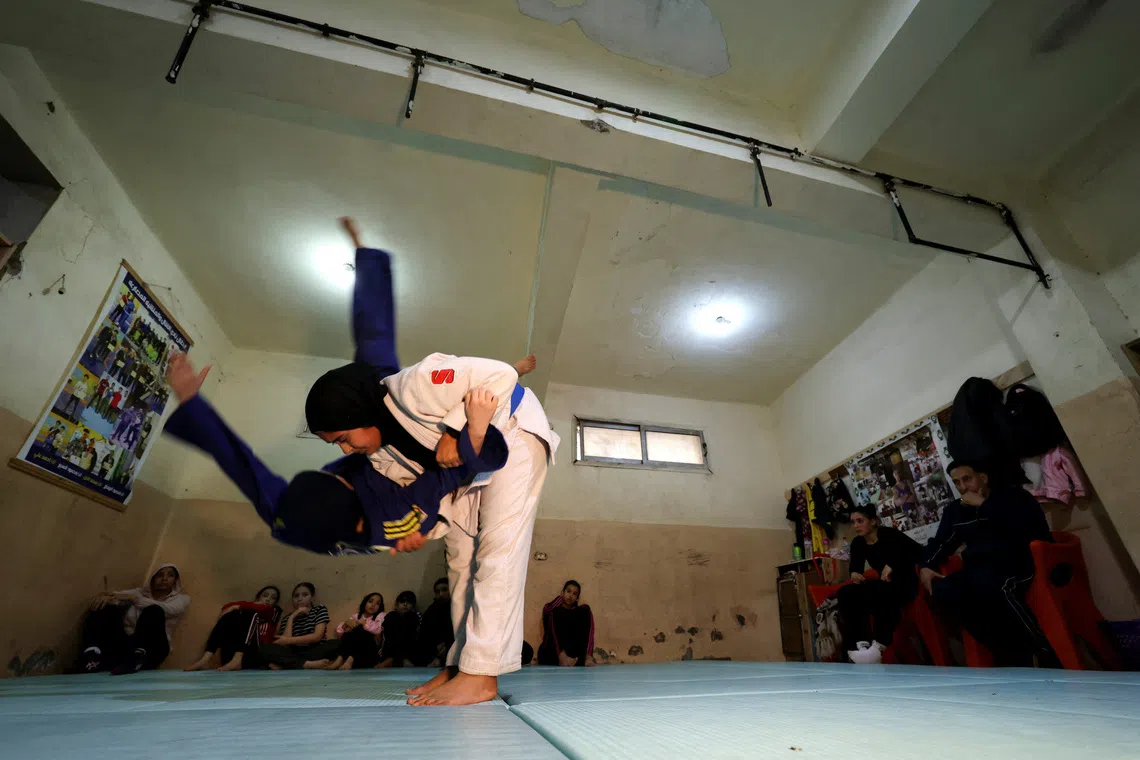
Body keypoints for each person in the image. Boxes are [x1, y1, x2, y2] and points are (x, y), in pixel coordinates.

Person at [304, 217, 559, 706]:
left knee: (497, 553)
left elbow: (501, 374)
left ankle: (483, 676)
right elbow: (421, 493)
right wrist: (421, 525)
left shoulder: (419, 383)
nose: (343, 448)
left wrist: (455, 427)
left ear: (358, 412)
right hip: (471, 470)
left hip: (514, 431)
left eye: (341, 437)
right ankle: (460, 665)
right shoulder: (382, 455)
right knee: (460, 561)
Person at [161, 352, 509, 556]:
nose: (345, 451)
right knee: (463, 469)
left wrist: (191, 402)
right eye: (338, 448)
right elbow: (448, 474)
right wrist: (466, 435)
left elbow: (242, 465)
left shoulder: (285, 510)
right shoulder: (393, 512)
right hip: (400, 514)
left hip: (335, 510)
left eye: (341, 443)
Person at [920, 461, 1054, 667]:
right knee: (943, 590)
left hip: (1016, 561)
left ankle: (1042, 650)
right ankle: (1007, 651)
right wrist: (926, 565)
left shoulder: (1012, 498)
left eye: (967, 479)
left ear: (983, 477)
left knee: (993, 585)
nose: (963, 487)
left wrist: (984, 505)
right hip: (978, 567)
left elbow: (1030, 528)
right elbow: (941, 542)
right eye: (957, 483)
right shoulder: (956, 510)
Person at [835, 506, 922, 664]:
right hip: (885, 583)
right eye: (853, 522)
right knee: (846, 592)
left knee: (881, 592)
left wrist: (893, 564)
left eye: (860, 521)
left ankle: (878, 647)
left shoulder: (889, 534)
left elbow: (918, 551)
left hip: (905, 583)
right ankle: (860, 644)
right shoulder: (858, 543)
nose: (856, 526)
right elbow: (855, 568)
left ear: (873, 521)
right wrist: (854, 574)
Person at [77, 564, 190, 675]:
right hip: (127, 645)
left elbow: (169, 609)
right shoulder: (139, 593)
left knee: (155, 610)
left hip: (153, 649)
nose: (164, 579)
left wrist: (135, 600)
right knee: (105, 606)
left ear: (175, 580)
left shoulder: (182, 599)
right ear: (153, 578)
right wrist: (105, 597)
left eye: (170, 575)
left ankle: (137, 658)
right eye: (160, 575)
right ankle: (92, 656)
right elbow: (115, 595)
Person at [185, 585, 282, 672]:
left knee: (251, 612)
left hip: (256, 655)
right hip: (230, 655)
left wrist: (237, 606)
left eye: (273, 598)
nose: (268, 599)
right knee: (232, 614)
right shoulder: (246, 608)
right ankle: (205, 659)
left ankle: (237, 659)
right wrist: (235, 608)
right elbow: (226, 607)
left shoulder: (273, 612)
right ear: (258, 597)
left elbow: (262, 609)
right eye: (265, 595)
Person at [256, 583, 336, 670]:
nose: (300, 599)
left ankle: (287, 664)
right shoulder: (287, 618)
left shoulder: (319, 610)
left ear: (312, 597)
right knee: (265, 648)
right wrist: (292, 617)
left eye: (305, 595)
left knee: (335, 643)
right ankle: (306, 664)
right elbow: (284, 644)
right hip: (294, 652)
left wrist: (288, 640)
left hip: (315, 650)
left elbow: (317, 636)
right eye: (296, 596)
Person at [308, 592, 386, 671]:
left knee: (360, 630)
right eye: (370, 601)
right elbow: (341, 633)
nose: (373, 605)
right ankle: (340, 659)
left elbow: (378, 630)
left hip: (369, 652)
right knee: (349, 631)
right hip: (355, 654)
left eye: (377, 604)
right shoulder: (356, 616)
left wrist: (363, 624)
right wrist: (346, 625)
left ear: (380, 607)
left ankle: (349, 660)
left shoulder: (380, 616)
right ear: (365, 602)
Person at [538, 580, 595, 667]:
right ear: (562, 592)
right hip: (552, 652)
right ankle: (563, 657)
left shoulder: (576, 613)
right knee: (557, 611)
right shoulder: (553, 610)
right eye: (568, 591)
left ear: (577, 598)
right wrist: (561, 598)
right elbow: (547, 609)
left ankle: (588, 657)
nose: (571, 595)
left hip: (572, 653)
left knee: (586, 609)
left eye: (575, 594)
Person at [413, 578, 453, 667]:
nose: (441, 594)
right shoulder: (431, 611)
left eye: (444, 590)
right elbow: (424, 636)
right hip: (432, 654)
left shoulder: (458, 608)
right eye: (437, 591)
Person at [378, 591, 421, 668]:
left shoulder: (415, 617)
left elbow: (414, 636)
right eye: (402, 601)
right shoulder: (390, 616)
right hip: (390, 650)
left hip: (410, 651)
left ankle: (400, 660)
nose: (405, 604)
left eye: (409, 602)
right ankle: (392, 659)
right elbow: (387, 636)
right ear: (397, 604)